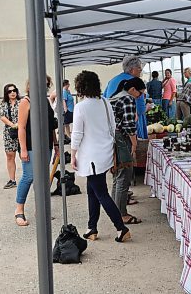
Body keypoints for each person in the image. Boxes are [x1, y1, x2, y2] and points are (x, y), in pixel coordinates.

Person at [70, 70, 131, 243]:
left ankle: (121, 227)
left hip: (90, 156)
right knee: (92, 190)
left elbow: (77, 134)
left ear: (80, 86)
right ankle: (92, 227)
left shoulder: (80, 106)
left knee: (101, 193)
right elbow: (113, 127)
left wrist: (73, 154)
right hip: (104, 153)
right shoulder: (105, 102)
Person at [14, 76, 57, 226]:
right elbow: (21, 127)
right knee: (29, 176)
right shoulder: (26, 102)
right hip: (31, 145)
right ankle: (19, 210)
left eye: (46, 85)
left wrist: (56, 145)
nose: (44, 87)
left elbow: (51, 125)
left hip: (47, 145)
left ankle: (41, 210)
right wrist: (23, 149)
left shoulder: (45, 100)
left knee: (43, 179)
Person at [109, 77, 146, 225]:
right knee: (124, 175)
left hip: (111, 138)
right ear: (132, 90)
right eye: (140, 93)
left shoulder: (114, 97)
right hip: (121, 138)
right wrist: (134, 144)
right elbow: (129, 125)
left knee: (117, 176)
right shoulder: (127, 99)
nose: (140, 97)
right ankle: (121, 214)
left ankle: (114, 210)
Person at [103, 56, 148, 139]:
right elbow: (140, 110)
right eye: (139, 68)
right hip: (130, 127)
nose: (141, 71)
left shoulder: (112, 80)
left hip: (113, 125)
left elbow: (104, 99)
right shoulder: (136, 83)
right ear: (132, 70)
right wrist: (147, 108)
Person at [0, 83, 20, 189]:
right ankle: (12, 180)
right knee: (10, 156)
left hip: (22, 131)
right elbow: (2, 116)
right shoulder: (3, 104)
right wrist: (12, 125)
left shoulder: (21, 102)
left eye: (14, 90)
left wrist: (19, 124)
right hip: (9, 132)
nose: (12, 93)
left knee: (25, 155)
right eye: (9, 91)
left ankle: (29, 177)